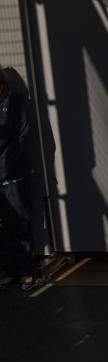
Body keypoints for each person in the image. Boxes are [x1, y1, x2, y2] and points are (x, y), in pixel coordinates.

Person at [0, 66, 35, 292]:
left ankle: (26, 271)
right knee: (2, 228)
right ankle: (9, 270)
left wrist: (5, 165)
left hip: (12, 176)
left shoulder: (14, 101)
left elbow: (22, 136)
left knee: (20, 223)